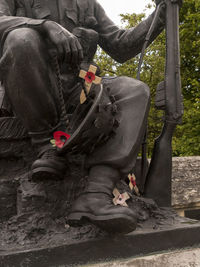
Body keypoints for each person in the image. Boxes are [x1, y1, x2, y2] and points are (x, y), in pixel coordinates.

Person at [0, 0, 165, 233]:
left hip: (81, 88)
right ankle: (47, 147)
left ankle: (97, 193)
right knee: (20, 38)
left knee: (134, 90)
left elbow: (121, 46)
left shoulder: (87, 4)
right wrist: (44, 26)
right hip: (32, 90)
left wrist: (161, 14)